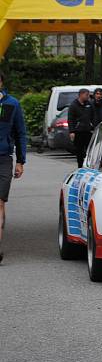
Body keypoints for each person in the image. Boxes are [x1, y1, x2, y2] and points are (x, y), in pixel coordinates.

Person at [0, 72, 26, 264]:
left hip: (3, 158)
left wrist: (20, 161)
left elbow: (20, 133)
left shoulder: (12, 104)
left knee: (0, 202)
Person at [67, 88, 94, 168]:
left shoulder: (89, 104)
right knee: (79, 150)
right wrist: (72, 131)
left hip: (88, 130)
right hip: (78, 131)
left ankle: (88, 165)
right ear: (81, 95)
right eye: (86, 95)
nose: (88, 97)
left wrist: (92, 126)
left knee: (89, 149)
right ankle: (80, 165)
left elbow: (92, 116)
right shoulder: (73, 105)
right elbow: (70, 119)